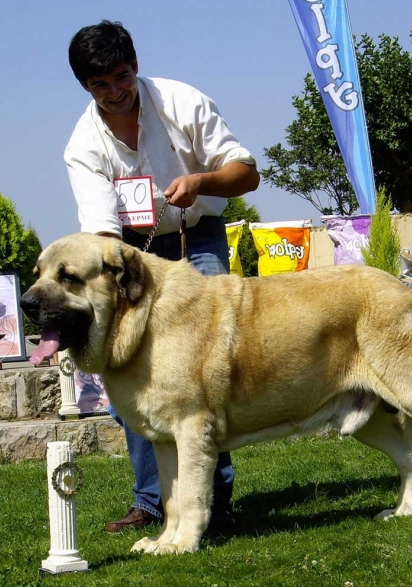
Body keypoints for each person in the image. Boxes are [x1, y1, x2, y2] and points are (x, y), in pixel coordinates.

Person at [65, 21, 260, 533]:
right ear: (86, 86)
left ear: (136, 65)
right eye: (99, 85)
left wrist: (202, 181)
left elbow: (247, 171)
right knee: (133, 372)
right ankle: (152, 501)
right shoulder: (83, 144)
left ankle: (215, 504)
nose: (114, 92)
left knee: (208, 373)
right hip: (133, 257)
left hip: (199, 238)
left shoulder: (183, 101)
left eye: (121, 77)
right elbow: (104, 236)